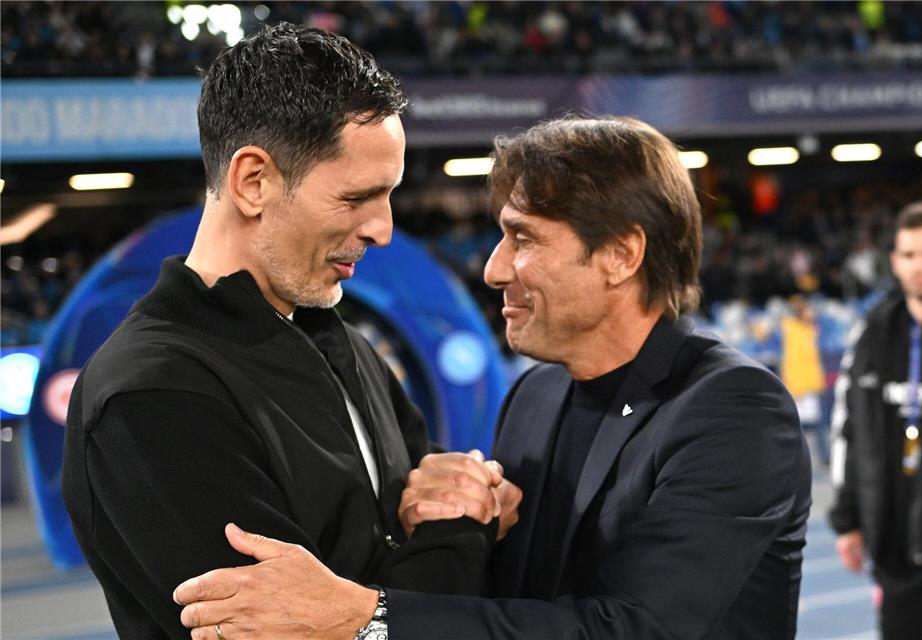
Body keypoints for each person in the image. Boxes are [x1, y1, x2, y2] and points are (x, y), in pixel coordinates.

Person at [174, 116, 812, 640]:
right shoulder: (535, 395)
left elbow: (638, 629)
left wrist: (366, 616)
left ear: (621, 255)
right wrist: (459, 522)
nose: (494, 270)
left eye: (522, 239)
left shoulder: (735, 409)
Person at [61, 23, 521, 639]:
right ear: (253, 181)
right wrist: (460, 528)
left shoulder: (344, 346)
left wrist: (456, 500)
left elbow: (412, 515)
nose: (382, 230)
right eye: (357, 197)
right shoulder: (152, 395)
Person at [830, 201, 922, 640]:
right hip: (895, 540)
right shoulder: (871, 334)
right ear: (894, 262)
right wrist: (847, 519)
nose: (918, 266)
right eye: (908, 255)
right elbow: (848, 428)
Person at [780, 295, 830, 467]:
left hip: (811, 384)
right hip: (797, 386)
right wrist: (792, 385)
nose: (812, 313)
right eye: (808, 310)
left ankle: (823, 457)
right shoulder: (790, 329)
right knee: (797, 426)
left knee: (818, 425)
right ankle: (794, 459)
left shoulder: (811, 331)